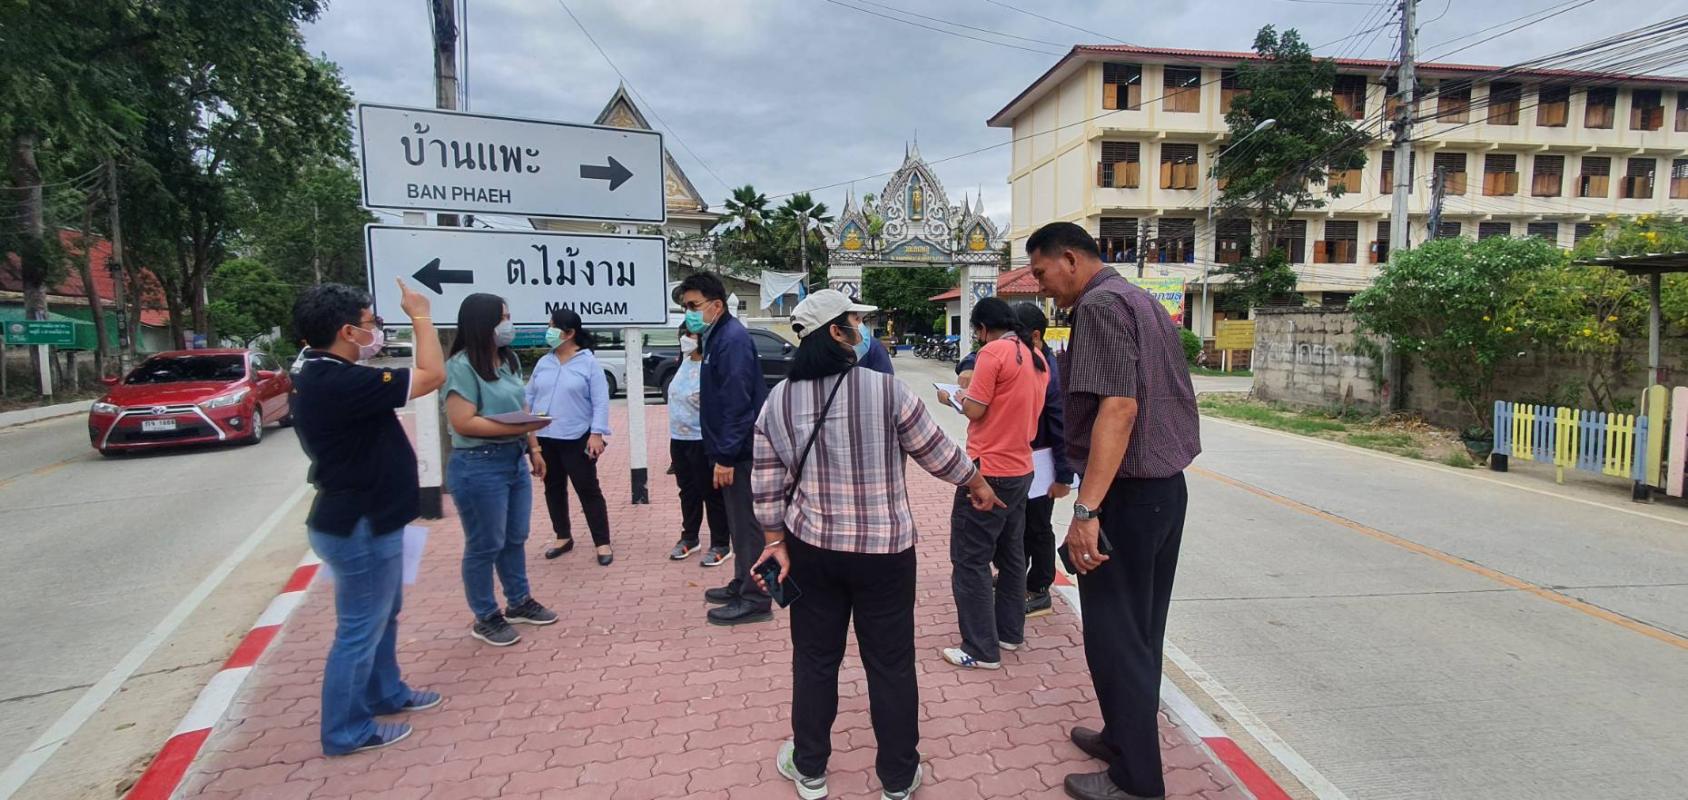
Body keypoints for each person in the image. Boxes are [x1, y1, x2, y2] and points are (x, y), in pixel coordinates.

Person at [749, 290, 1003, 800]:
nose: (864, 329)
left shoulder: (780, 399)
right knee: (890, 662)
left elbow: (765, 479)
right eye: (855, 321)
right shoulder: (887, 391)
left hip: (812, 549)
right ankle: (897, 777)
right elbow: (937, 452)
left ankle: (811, 769)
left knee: (816, 660)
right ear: (837, 334)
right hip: (886, 552)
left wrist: (774, 540)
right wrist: (976, 483)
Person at [1025, 222, 1200, 800]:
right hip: (1162, 490)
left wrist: (1086, 510)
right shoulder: (1139, 299)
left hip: (1125, 496)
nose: (1043, 287)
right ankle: (1123, 736)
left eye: (1044, 273)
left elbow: (1119, 409)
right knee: (1139, 630)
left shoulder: (1100, 307)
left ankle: (1136, 780)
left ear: (1070, 259)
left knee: (1115, 636)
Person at [290, 280, 444, 755]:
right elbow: (431, 375)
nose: (375, 329)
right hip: (356, 522)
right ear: (346, 331)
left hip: (373, 517)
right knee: (359, 627)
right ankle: (346, 731)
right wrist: (420, 315)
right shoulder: (336, 380)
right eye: (370, 322)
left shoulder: (319, 369)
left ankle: (385, 692)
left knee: (382, 614)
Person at [935, 297, 1047, 671]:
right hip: (1021, 468)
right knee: (1012, 555)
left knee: (970, 559)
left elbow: (975, 409)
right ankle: (1009, 634)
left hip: (988, 470)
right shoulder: (1036, 357)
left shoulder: (992, 353)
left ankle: (980, 648)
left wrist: (953, 396)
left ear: (982, 328)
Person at [444, 293, 558, 647]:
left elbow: (521, 405)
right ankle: (485, 615)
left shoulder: (506, 360)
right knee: (484, 544)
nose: (509, 325)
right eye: (503, 318)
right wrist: (518, 430)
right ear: (482, 323)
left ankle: (519, 601)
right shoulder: (461, 366)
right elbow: (463, 423)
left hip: (512, 460)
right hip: (478, 464)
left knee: (515, 536)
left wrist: (533, 446)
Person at [677, 273, 773, 625]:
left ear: (716, 305)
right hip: (731, 448)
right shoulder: (716, 336)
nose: (688, 313)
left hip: (742, 452)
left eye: (692, 306)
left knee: (749, 526)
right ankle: (743, 581)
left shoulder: (731, 339)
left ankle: (757, 598)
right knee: (738, 523)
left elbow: (737, 402)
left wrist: (726, 456)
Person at [526, 308, 615, 566]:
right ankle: (562, 536)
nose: (549, 330)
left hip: (577, 437)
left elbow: (600, 402)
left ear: (570, 333)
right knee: (552, 487)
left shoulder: (588, 363)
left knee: (587, 489)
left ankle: (602, 542)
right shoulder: (545, 362)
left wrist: (596, 434)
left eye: (553, 326)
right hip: (545, 437)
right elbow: (529, 398)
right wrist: (530, 437)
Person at [1014, 302, 1075, 618]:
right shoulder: (1029, 361)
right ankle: (1019, 577)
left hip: (1044, 462)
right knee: (1022, 523)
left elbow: (1059, 422)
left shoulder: (1047, 370)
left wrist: (1063, 474)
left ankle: (1039, 588)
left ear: (1035, 335)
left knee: (1038, 526)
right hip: (1026, 458)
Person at [666, 322, 731, 561]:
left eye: (691, 335)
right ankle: (689, 537)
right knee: (688, 492)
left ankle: (721, 543)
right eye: (684, 334)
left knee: (711, 494)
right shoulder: (683, 362)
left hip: (703, 440)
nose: (686, 339)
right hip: (679, 439)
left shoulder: (711, 366)